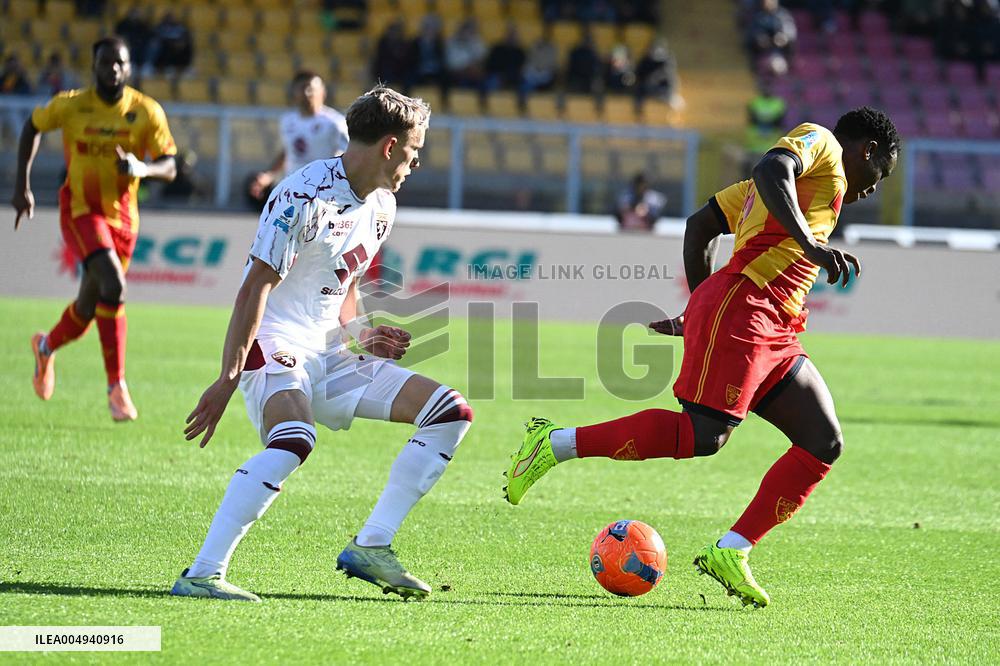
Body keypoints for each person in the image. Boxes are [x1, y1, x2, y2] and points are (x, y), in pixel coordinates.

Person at [504, 107, 899, 608]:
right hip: (746, 305)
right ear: (868, 151)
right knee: (704, 436)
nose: (873, 188)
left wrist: (695, 310)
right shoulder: (818, 142)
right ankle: (553, 444)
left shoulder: (784, 193)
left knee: (823, 441)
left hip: (776, 324)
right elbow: (770, 169)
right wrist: (810, 248)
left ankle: (731, 551)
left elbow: (700, 225)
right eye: (879, 174)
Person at [172, 85, 473, 602]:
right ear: (389, 146)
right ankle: (202, 574)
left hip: (329, 350)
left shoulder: (383, 205)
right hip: (275, 342)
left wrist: (362, 333)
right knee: (294, 440)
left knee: (450, 412)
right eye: (414, 150)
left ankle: (372, 545)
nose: (416, 161)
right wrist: (228, 378)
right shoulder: (303, 195)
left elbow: (345, 284)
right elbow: (254, 287)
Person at [12, 37, 177, 421]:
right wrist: (22, 185)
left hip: (124, 220)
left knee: (89, 307)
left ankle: (45, 346)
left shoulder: (145, 111)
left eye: (119, 63)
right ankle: (116, 387)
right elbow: (31, 127)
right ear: (95, 66)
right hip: (81, 211)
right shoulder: (71, 106)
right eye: (105, 62)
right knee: (114, 285)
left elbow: (170, 164)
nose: (112, 69)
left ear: (129, 67)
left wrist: (142, 168)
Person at [248, 71, 349, 204]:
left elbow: (348, 154)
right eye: (302, 89)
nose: (307, 93)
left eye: (311, 89)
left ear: (323, 92)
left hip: (323, 193)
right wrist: (269, 176)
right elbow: (288, 152)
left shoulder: (335, 123)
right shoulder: (287, 120)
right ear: (294, 93)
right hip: (293, 189)